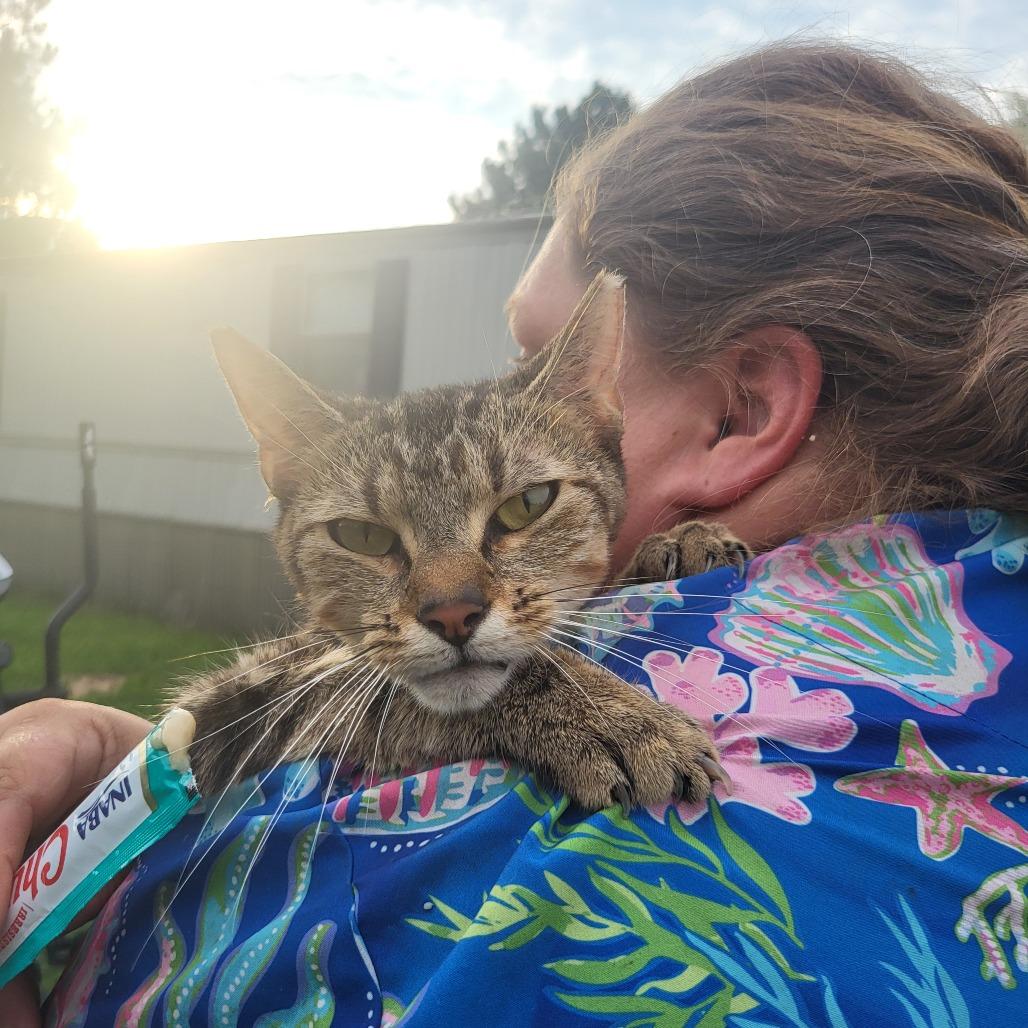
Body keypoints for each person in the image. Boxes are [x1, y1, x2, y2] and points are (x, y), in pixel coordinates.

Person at [3, 40, 1028, 1025]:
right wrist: (135, 761)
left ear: (740, 410)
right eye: (366, 533)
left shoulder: (550, 861)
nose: (450, 599)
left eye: (550, 362)